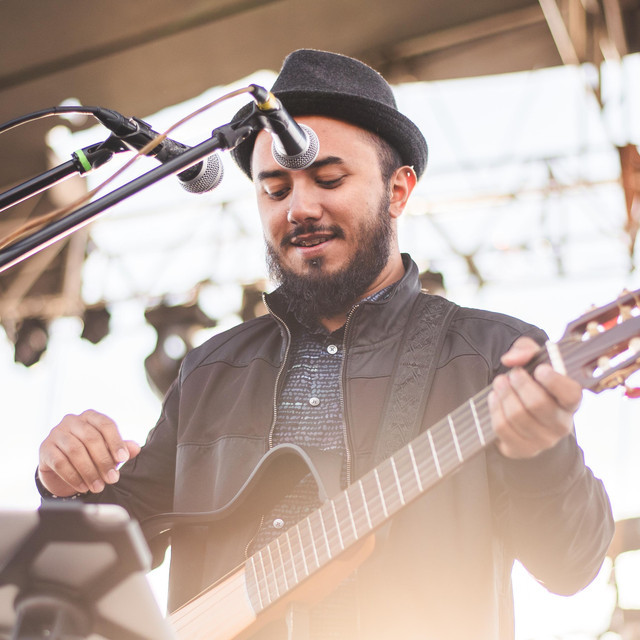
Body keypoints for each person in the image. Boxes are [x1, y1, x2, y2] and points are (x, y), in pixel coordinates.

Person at [36, 49, 614, 640]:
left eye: (330, 179)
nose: (300, 208)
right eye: (275, 189)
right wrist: (65, 482)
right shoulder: (210, 368)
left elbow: (572, 565)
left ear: (398, 191)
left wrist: (543, 453)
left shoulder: (495, 352)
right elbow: (92, 560)